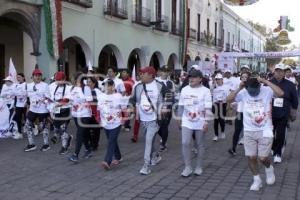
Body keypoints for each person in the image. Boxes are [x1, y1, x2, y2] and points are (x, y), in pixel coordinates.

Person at [227, 74, 284, 191]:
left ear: (260, 86)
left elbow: (280, 93)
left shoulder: (267, 90)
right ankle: (257, 180)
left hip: (265, 129)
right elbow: (228, 100)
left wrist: (266, 81)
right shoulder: (243, 93)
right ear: (247, 88)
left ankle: (269, 169)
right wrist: (239, 87)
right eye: (251, 92)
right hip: (249, 130)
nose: (253, 94)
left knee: (263, 158)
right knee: (251, 157)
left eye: (256, 91)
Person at [129, 66, 171, 175]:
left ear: (151, 75)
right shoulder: (138, 86)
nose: (141, 75)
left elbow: (170, 95)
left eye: (143, 73)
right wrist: (131, 107)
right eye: (140, 73)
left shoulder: (159, 85)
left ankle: (146, 166)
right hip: (143, 119)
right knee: (150, 141)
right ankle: (156, 156)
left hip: (155, 119)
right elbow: (132, 99)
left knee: (148, 141)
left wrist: (165, 106)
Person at [177, 68, 212, 177]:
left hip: (200, 120)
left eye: (194, 77)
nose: (191, 79)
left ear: (200, 79)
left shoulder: (205, 91)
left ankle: (199, 166)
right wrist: (179, 118)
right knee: (185, 142)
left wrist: (206, 122)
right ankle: (187, 167)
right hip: (187, 120)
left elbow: (208, 108)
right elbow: (181, 105)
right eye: (190, 77)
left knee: (199, 144)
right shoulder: (184, 89)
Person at [270, 64, 298, 163]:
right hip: (270, 114)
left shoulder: (290, 85)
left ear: (284, 73)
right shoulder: (268, 83)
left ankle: (278, 153)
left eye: (281, 71)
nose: (279, 73)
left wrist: (294, 112)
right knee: (270, 134)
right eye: (277, 70)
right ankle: (273, 147)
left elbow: (295, 99)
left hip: (283, 113)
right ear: (274, 72)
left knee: (281, 134)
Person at [98, 79, 127, 170]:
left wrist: (124, 119)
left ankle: (107, 161)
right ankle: (118, 157)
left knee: (111, 141)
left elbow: (124, 109)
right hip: (106, 123)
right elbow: (98, 110)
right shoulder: (101, 96)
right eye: (105, 85)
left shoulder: (118, 96)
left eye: (108, 85)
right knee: (112, 140)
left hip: (116, 123)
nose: (106, 87)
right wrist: (99, 120)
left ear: (113, 87)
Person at [68, 72, 93, 162]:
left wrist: (81, 103)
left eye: (73, 77)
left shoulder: (85, 88)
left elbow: (90, 100)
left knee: (79, 134)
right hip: (76, 115)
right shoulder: (72, 88)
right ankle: (88, 149)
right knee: (84, 133)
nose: (71, 79)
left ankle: (75, 155)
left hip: (85, 114)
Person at [24, 69, 51, 152]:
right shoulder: (28, 85)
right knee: (28, 125)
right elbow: (27, 96)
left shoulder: (45, 85)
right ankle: (31, 144)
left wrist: (44, 100)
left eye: (39, 75)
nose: (38, 77)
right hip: (33, 109)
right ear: (33, 77)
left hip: (42, 110)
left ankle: (46, 144)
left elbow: (48, 97)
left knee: (44, 126)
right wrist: (28, 106)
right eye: (36, 75)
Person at [49, 71, 73, 155]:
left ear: (64, 79)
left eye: (60, 80)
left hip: (65, 110)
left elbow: (67, 99)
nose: (58, 82)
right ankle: (69, 137)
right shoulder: (52, 86)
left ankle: (64, 147)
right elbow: (49, 96)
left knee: (63, 129)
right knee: (56, 128)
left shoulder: (69, 88)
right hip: (56, 110)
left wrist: (60, 103)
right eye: (56, 80)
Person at [228, 71, 250, 155]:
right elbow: (232, 98)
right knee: (237, 131)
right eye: (242, 77)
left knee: (248, 132)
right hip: (240, 112)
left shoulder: (252, 88)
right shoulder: (239, 88)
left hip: (249, 114)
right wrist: (233, 104)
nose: (244, 79)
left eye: (246, 77)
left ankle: (251, 149)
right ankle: (233, 148)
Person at [156, 66, 175, 151]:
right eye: (164, 71)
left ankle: (163, 144)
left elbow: (172, 94)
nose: (166, 73)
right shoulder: (156, 81)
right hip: (157, 107)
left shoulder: (170, 83)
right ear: (160, 72)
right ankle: (164, 137)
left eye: (167, 71)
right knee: (157, 126)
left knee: (165, 126)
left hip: (167, 107)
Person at [211, 73, 229, 141]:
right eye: (217, 79)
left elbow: (228, 97)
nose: (218, 81)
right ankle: (216, 135)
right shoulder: (214, 87)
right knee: (216, 121)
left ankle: (222, 131)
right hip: (215, 104)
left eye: (219, 79)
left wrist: (228, 105)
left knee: (221, 120)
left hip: (223, 104)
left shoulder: (226, 87)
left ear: (222, 80)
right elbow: (212, 96)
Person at [86, 77, 102, 151]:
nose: (88, 84)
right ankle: (90, 142)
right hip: (87, 114)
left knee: (96, 130)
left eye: (89, 82)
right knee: (86, 130)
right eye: (87, 82)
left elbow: (101, 102)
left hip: (96, 114)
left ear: (94, 83)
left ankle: (94, 144)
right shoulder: (85, 91)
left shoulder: (97, 91)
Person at [14, 73, 27, 139]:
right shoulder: (16, 85)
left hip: (24, 105)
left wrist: (27, 103)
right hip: (18, 105)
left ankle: (33, 128)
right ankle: (19, 133)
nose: (18, 78)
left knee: (26, 118)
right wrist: (14, 104)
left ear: (23, 77)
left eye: (19, 77)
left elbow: (29, 95)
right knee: (18, 118)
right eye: (17, 77)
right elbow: (15, 96)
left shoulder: (26, 85)